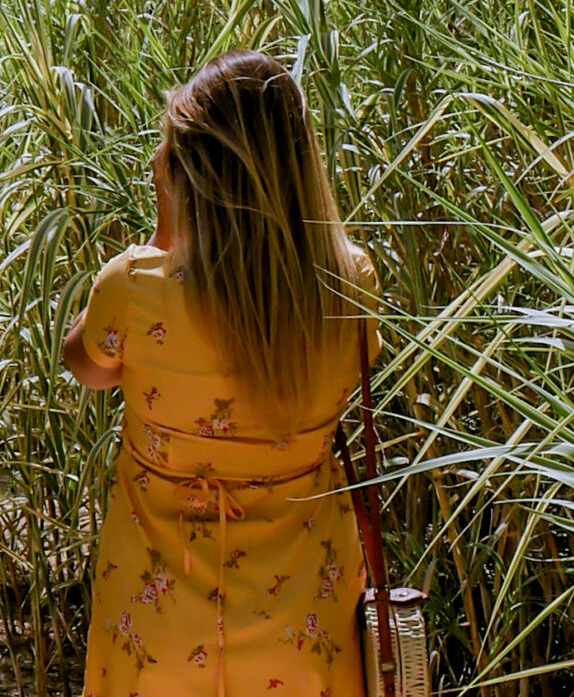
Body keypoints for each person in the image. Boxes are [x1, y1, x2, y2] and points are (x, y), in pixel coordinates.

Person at [62, 50, 382, 697]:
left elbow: (85, 366)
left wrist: (161, 234)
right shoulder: (351, 284)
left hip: (158, 627)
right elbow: (357, 369)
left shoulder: (136, 286)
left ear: (186, 172)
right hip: (304, 622)